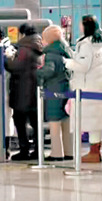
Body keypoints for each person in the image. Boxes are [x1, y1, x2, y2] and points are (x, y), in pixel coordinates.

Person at [65, 15, 102, 163]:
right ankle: (95, 151)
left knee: (90, 121)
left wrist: (67, 62)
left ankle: (93, 153)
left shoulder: (86, 44)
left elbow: (83, 67)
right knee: (97, 122)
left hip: (87, 88)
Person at [5, 26, 43, 160]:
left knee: (20, 122)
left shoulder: (24, 49)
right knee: (35, 123)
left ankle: (24, 150)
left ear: (22, 34)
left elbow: (15, 66)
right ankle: (38, 150)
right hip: (35, 91)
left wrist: (6, 59)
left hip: (22, 92)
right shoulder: (39, 47)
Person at [37, 25, 72, 161]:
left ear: (49, 40)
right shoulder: (67, 51)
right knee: (66, 122)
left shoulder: (51, 55)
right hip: (67, 89)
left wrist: (37, 71)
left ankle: (57, 153)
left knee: (54, 122)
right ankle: (69, 151)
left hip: (54, 90)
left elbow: (49, 71)